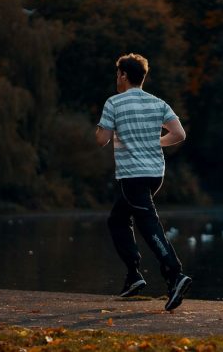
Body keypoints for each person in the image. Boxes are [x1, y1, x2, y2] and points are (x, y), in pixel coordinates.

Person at [95, 53, 192, 311]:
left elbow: (101, 139)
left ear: (124, 75)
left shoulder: (114, 103)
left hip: (132, 175)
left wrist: (104, 129)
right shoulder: (158, 103)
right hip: (154, 174)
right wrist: (155, 142)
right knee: (117, 219)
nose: (117, 78)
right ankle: (134, 276)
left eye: (118, 74)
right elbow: (179, 134)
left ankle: (174, 274)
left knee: (148, 223)